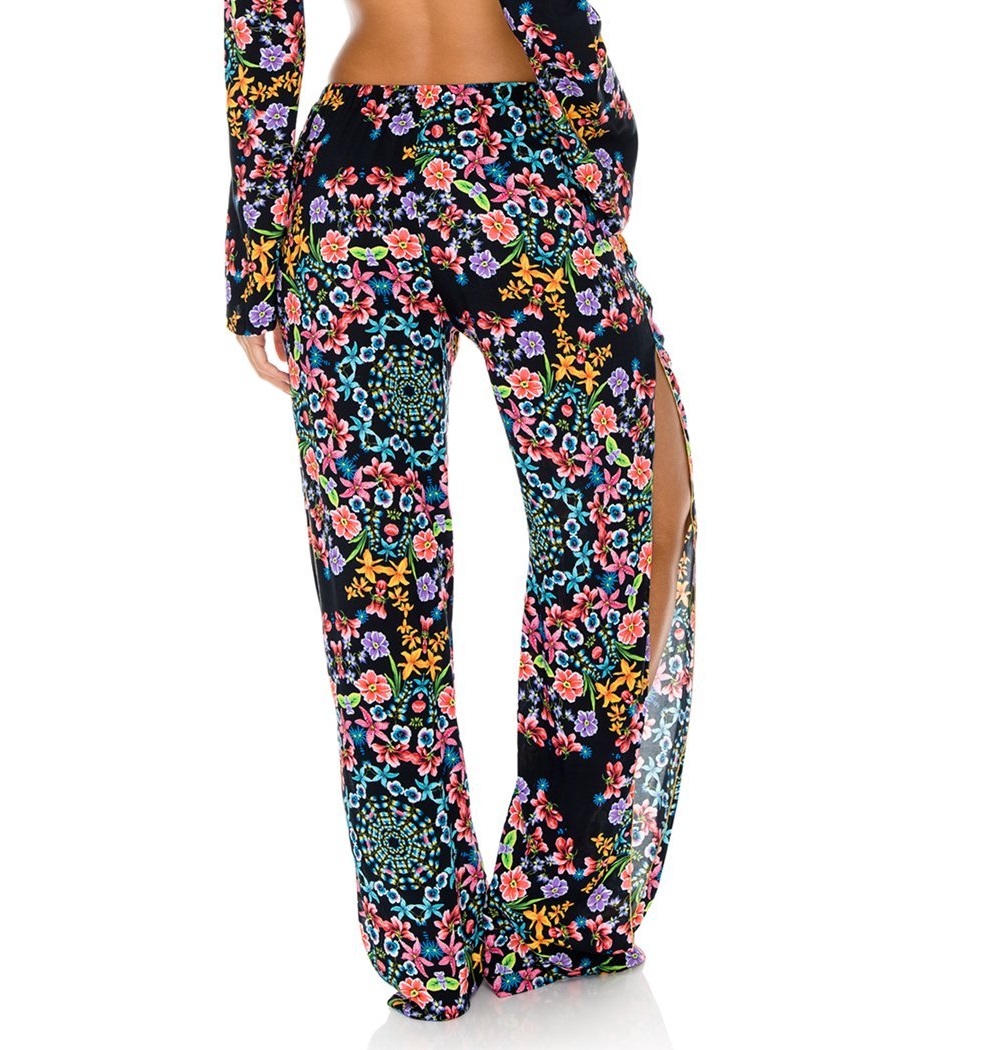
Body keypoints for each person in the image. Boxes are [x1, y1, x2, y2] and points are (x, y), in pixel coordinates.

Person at [223, 0, 697, 1021]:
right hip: (514, 158)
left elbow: (260, 25)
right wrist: (604, 136)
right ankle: (523, 914)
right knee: (545, 548)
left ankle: (448, 929)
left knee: (391, 579)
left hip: (364, 180)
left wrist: (257, 257)